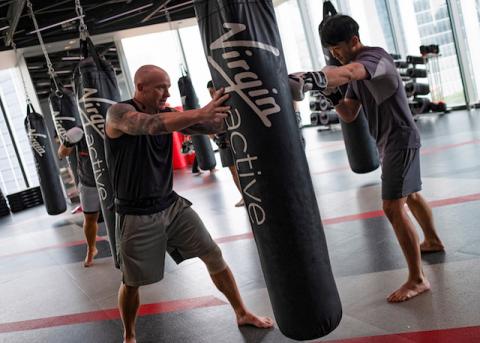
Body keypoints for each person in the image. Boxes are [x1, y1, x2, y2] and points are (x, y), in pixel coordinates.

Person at [105, 65, 273, 343]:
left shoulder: (169, 114)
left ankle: (242, 312)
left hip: (171, 205)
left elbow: (212, 125)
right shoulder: (118, 113)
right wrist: (199, 112)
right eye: (160, 87)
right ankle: (129, 335)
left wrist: (240, 102)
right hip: (136, 214)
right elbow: (148, 126)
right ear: (140, 87)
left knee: (213, 255)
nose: (167, 93)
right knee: (132, 281)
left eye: (169, 86)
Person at [291, 14, 444, 303]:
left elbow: (351, 73)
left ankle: (417, 279)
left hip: (399, 138)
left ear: (354, 41)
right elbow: (349, 113)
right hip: (387, 141)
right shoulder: (354, 73)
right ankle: (433, 240)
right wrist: (330, 94)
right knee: (410, 195)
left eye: (338, 48)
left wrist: (314, 78)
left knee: (391, 207)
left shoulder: (375, 58)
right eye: (331, 51)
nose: (335, 54)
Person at [58, 131, 100, 267]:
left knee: (123, 216)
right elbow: (61, 153)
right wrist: (67, 142)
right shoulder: (80, 132)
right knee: (90, 219)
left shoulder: (110, 121)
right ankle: (91, 249)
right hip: (88, 183)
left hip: (112, 181)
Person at [207, 80, 244, 207]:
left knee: (245, 167)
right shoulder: (210, 107)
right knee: (233, 170)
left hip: (237, 137)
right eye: (210, 92)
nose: (211, 94)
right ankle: (243, 196)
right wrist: (216, 141)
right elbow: (207, 128)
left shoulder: (231, 102)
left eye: (212, 91)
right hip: (223, 140)